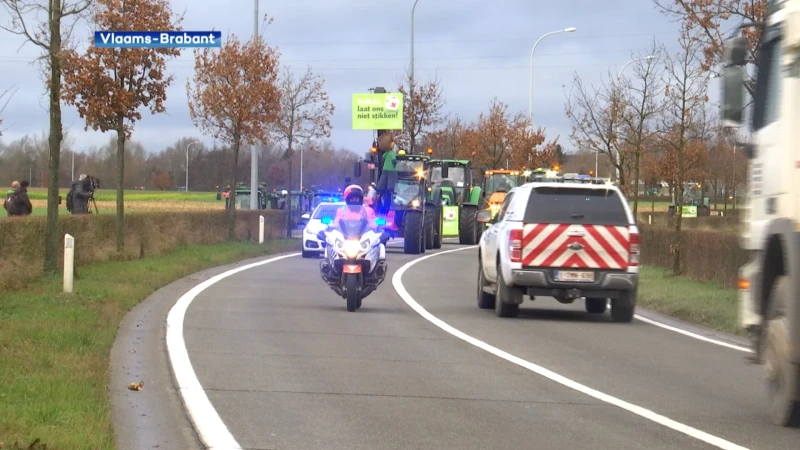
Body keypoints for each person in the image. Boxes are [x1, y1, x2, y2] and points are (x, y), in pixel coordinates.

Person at [374, 131, 397, 214]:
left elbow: (382, 158)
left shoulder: (387, 154)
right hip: (390, 169)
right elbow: (394, 160)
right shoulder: (391, 154)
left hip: (385, 169)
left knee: (384, 178)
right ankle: (390, 188)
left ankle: (380, 187)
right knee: (390, 181)